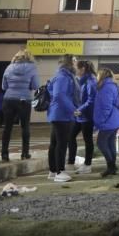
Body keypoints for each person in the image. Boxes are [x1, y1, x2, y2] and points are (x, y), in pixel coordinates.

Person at [1, 50, 40, 161]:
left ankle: (4, 154)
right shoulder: (32, 67)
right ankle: (25, 153)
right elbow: (35, 85)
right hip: (24, 99)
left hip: (8, 99)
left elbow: (4, 86)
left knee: (7, 128)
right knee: (25, 127)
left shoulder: (9, 67)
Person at [47, 54, 79, 182]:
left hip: (58, 113)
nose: (77, 63)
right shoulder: (63, 77)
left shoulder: (61, 75)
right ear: (69, 62)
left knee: (55, 143)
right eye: (75, 61)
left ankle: (53, 171)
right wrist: (73, 109)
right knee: (61, 144)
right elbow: (59, 95)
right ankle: (59, 171)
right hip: (62, 114)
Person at [93, 68, 119, 177]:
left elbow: (106, 107)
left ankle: (111, 166)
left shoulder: (105, 88)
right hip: (115, 119)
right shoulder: (113, 85)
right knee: (110, 143)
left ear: (101, 76)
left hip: (108, 121)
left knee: (101, 143)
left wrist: (100, 122)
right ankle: (112, 167)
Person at [69, 60, 98, 174]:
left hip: (87, 116)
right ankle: (71, 162)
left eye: (77, 68)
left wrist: (79, 110)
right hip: (80, 115)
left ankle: (88, 164)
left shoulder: (91, 81)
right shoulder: (81, 80)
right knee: (70, 136)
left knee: (88, 140)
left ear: (83, 69)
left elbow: (91, 100)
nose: (75, 70)